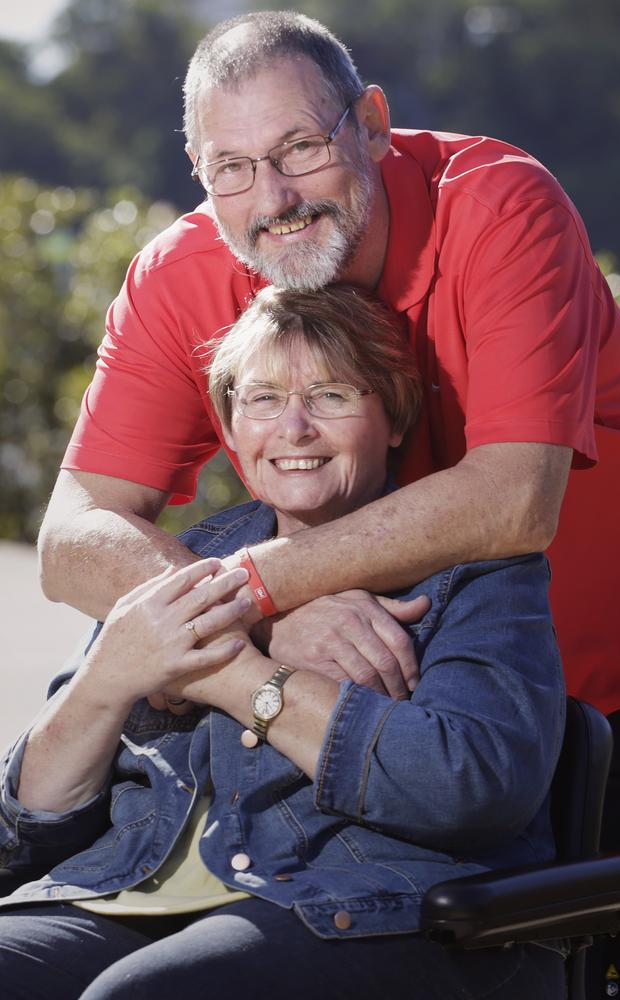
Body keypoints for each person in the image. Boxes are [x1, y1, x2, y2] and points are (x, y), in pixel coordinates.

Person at [35, 8, 620, 988]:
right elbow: (73, 535)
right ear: (197, 170)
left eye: (301, 148)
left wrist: (251, 599)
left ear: (369, 122)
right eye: (231, 167)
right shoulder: (179, 276)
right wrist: (267, 617)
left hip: (602, 690)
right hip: (356, 733)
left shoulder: (494, 204)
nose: (271, 197)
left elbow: (510, 503)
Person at [0, 286, 565, 999]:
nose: (293, 428)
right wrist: (106, 678)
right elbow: (23, 836)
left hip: (361, 911)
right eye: (262, 399)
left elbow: (469, 786)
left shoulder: (476, 572)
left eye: (330, 396)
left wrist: (233, 671)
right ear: (231, 430)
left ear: (394, 417)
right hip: (126, 893)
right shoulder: (175, 564)